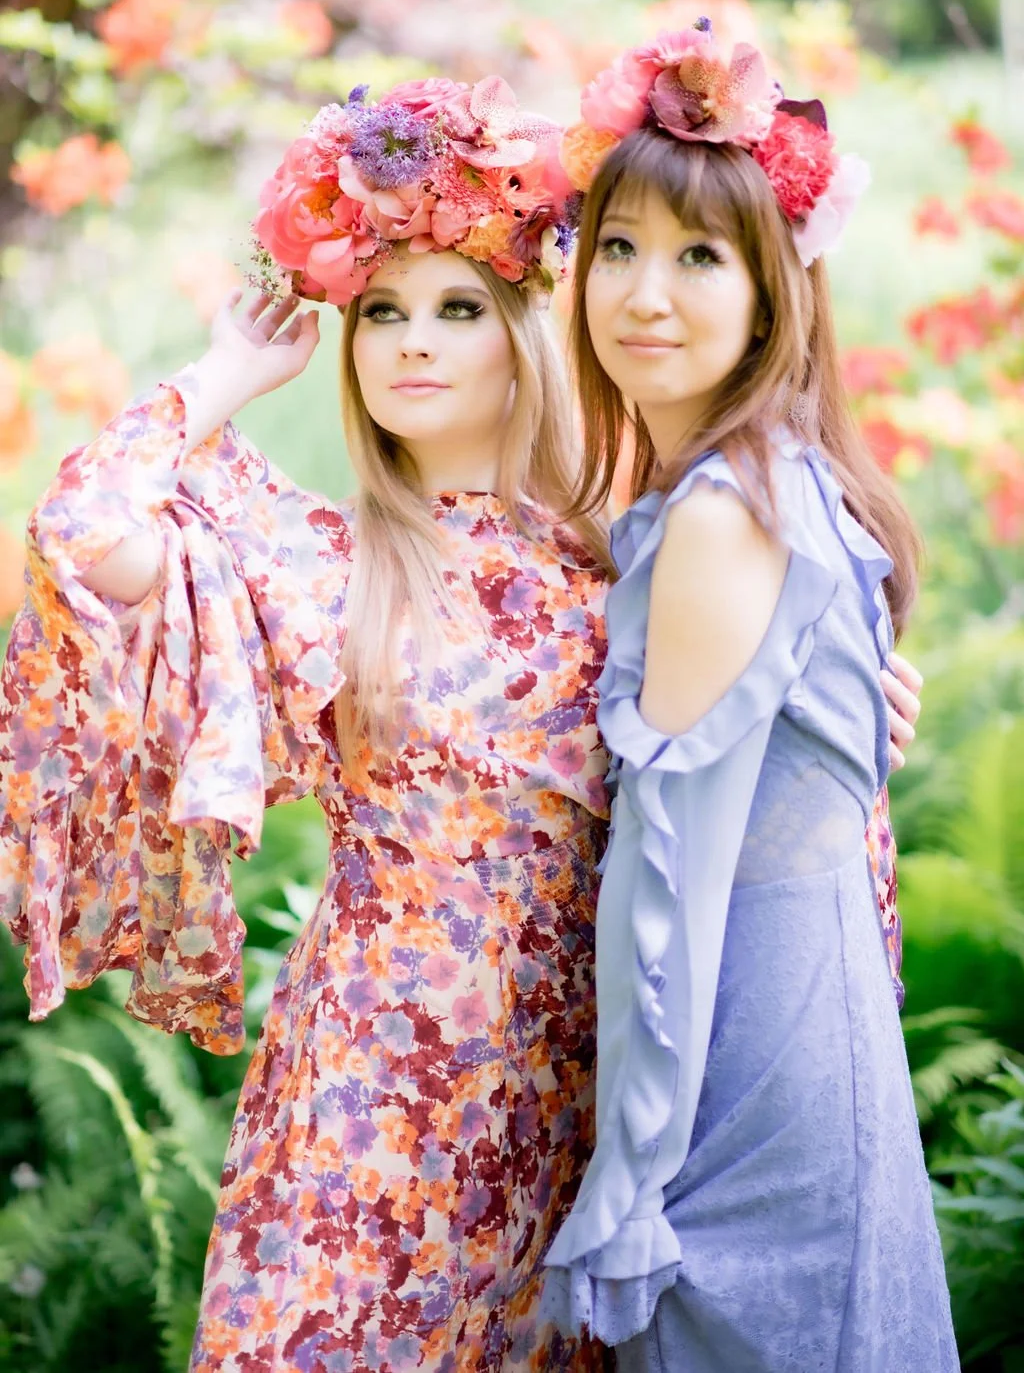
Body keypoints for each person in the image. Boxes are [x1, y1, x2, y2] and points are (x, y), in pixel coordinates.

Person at [0, 70, 920, 1372]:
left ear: (525, 329)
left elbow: (726, 778)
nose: (411, 343)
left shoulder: (622, 558)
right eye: (381, 313)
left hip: (576, 1089)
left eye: (456, 309)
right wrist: (225, 372)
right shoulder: (326, 567)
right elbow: (80, 535)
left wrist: (841, 705)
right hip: (378, 1092)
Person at [542, 24, 957, 1370]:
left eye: (699, 257)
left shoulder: (725, 514)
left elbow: (666, 886)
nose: (642, 294)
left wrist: (629, 1184)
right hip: (803, 1038)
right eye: (617, 247)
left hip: (748, 1093)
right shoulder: (760, 480)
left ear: (777, 290)